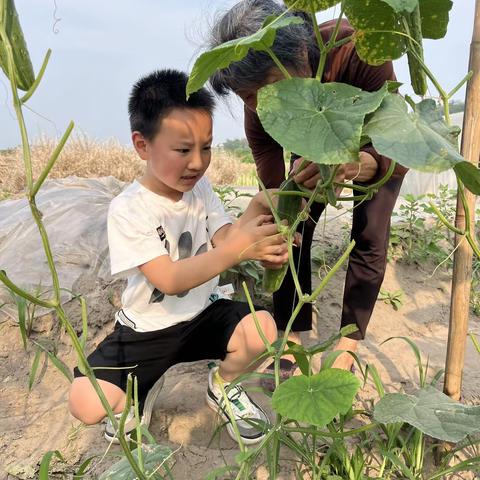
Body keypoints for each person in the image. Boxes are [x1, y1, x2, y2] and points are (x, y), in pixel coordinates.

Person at [68, 69, 288, 445]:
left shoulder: (201, 189)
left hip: (203, 315)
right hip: (148, 330)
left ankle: (224, 386)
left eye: (207, 147)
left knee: (263, 328)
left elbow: (225, 238)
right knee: (86, 403)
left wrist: (257, 212)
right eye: (183, 150)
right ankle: (139, 393)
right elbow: (168, 279)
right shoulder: (128, 208)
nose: (198, 162)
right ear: (142, 145)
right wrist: (238, 250)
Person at [208, 0, 408, 379]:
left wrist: (362, 163)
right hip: (305, 124)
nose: (254, 106)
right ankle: (292, 332)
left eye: (259, 90)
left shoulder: (360, 48)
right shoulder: (262, 104)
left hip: (376, 140)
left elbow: (398, 140)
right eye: (244, 97)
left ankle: (348, 342)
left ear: (299, 54)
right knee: (290, 225)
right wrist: (279, 213)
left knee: (370, 230)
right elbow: (273, 188)